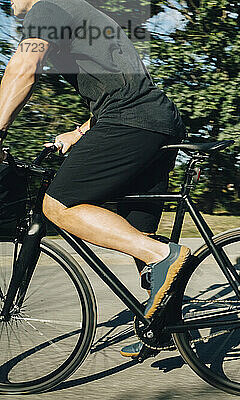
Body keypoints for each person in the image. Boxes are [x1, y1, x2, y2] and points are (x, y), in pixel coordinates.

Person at [0, 0, 193, 357]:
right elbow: (121, 86)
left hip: (130, 121)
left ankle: (162, 255)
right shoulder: (83, 13)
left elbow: (23, 69)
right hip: (156, 121)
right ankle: (162, 326)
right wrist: (78, 132)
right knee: (138, 232)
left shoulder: (47, 8)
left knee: (58, 205)